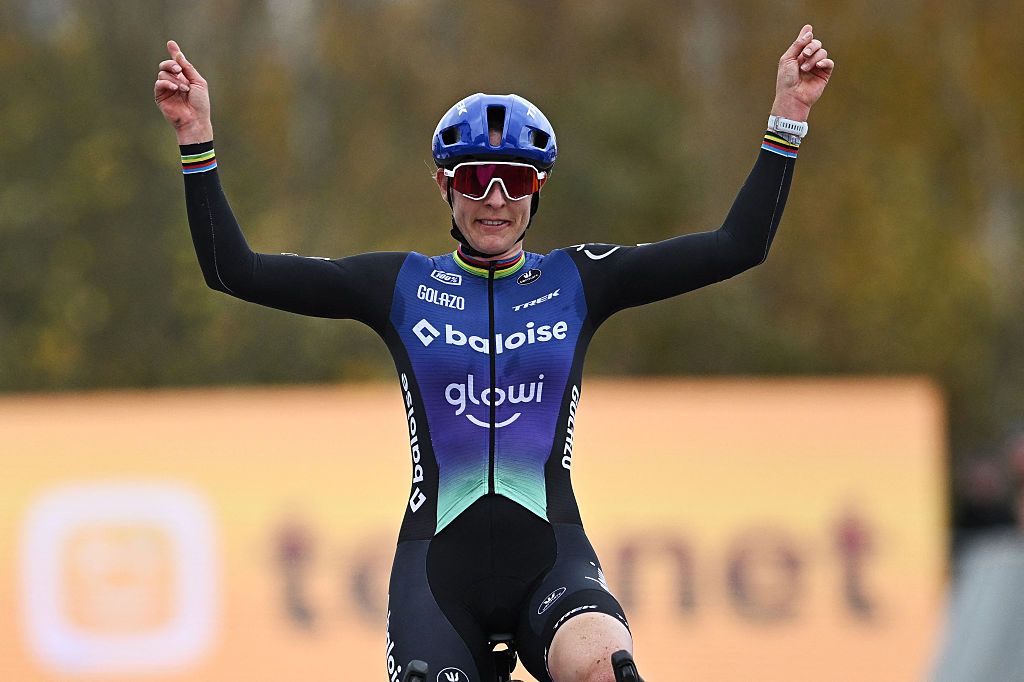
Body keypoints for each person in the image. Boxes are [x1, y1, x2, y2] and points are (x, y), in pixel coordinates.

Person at [155, 24, 833, 682]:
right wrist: (196, 137)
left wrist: (789, 114)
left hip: (551, 560)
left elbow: (738, 245)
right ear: (444, 187)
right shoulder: (399, 285)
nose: (496, 197)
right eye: (476, 177)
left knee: (605, 669)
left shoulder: (578, 280)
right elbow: (232, 269)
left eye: (516, 179)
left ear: (539, 188)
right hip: (437, 575)